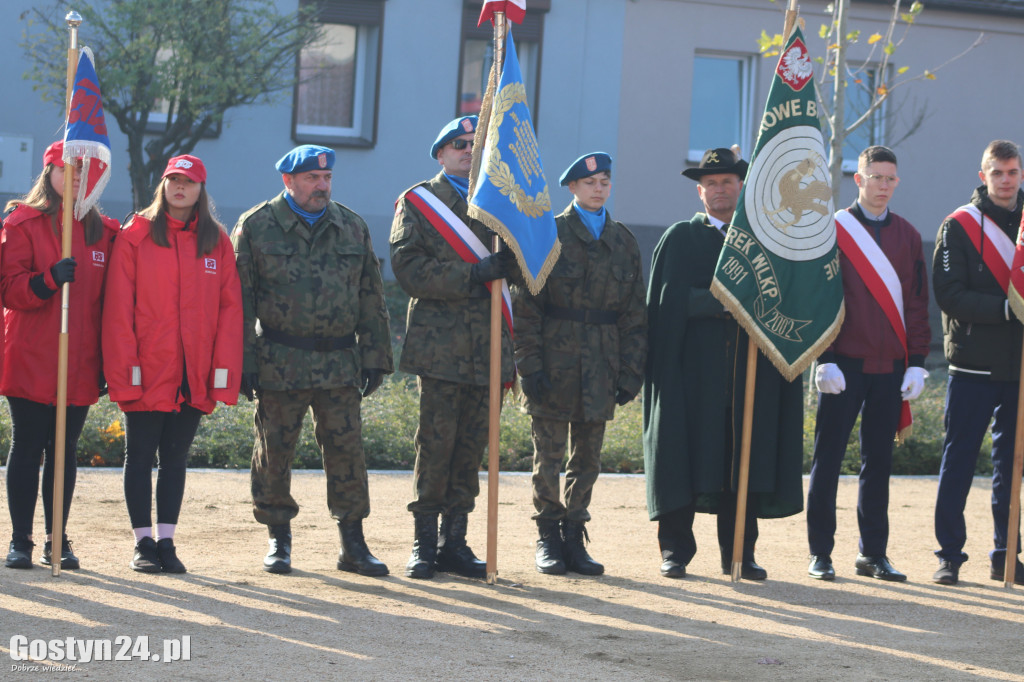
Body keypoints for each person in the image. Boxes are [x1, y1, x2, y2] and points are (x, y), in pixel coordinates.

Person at [643, 147, 804, 581]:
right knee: (682, 458)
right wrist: (724, 300)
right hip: (692, 378)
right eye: (712, 183)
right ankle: (675, 551)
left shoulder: (765, 241)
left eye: (728, 182)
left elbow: (783, 302)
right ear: (700, 192)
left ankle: (739, 552)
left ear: (742, 188)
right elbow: (665, 305)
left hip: (750, 376)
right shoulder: (680, 238)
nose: (720, 190)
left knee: (742, 462)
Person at [232, 144, 394, 576]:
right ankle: (278, 538)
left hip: (339, 363)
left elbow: (370, 296)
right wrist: (241, 360)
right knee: (274, 452)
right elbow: (238, 303)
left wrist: (376, 355)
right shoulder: (256, 226)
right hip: (279, 361)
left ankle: (353, 543)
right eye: (311, 179)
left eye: (326, 179)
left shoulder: (351, 226)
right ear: (288, 181)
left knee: (347, 453)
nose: (321, 186)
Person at [103, 155, 243, 574]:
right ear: (162, 185)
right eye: (173, 179)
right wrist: (127, 373)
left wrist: (221, 378)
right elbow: (117, 313)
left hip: (192, 374)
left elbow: (229, 314)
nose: (180, 187)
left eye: (190, 181)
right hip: (145, 371)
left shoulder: (216, 241)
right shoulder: (137, 235)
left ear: (202, 189)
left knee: (175, 459)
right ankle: (142, 543)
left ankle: (167, 542)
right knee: (140, 456)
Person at [389, 116, 515, 580]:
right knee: (436, 446)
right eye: (458, 145)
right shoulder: (420, 203)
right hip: (441, 348)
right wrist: (474, 274)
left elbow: (524, 264)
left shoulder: (500, 203)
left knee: (470, 450)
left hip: (489, 347)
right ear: (440, 154)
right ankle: (423, 545)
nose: (468, 151)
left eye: (474, 145)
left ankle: (454, 544)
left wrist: (514, 266)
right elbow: (410, 271)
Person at [513, 152, 646, 575]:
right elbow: (527, 305)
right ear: (571, 188)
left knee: (587, 458)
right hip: (555, 358)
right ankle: (548, 536)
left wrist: (631, 371)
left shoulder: (623, 240)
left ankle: (575, 535)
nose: (599, 188)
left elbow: (634, 314)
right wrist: (528, 364)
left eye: (605, 181)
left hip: (601, 364)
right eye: (590, 183)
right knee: (548, 456)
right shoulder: (548, 233)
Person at [806, 146, 930, 582]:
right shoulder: (833, 229)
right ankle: (820, 552)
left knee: (878, 464)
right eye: (875, 177)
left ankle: (872, 553)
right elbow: (818, 298)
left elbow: (916, 305)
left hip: (890, 368)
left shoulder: (910, 236)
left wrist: (916, 362)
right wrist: (823, 358)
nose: (883, 186)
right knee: (828, 460)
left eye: (890, 179)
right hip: (844, 365)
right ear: (857, 180)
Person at [2, 141, 119, 570]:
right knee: (28, 447)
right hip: (32, 356)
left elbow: (113, 303)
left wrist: (110, 360)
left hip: (80, 360)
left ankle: (57, 538)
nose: (73, 178)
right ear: (48, 172)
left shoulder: (104, 231)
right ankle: (21, 539)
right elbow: (10, 291)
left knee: (64, 450)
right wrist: (48, 279)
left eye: (81, 171)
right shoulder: (22, 223)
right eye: (65, 169)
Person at [931, 139, 1024, 586]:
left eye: (1012, 172)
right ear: (982, 175)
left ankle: (1006, 555)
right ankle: (949, 555)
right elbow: (949, 295)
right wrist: (1007, 309)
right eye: (997, 173)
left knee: (1013, 465)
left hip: (1020, 368)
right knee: (960, 460)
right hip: (972, 366)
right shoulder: (958, 226)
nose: (1005, 181)